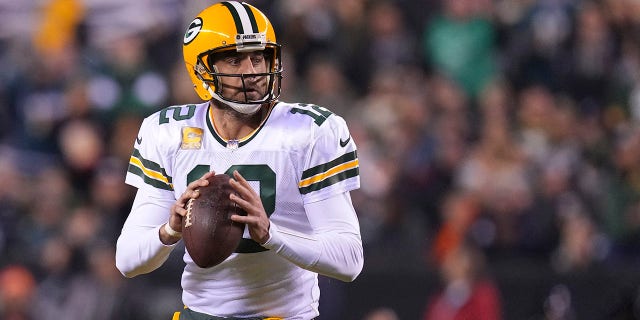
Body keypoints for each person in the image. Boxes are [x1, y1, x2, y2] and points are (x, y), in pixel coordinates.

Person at [114, 2, 364, 320]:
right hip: (200, 314)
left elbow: (349, 260)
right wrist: (169, 231)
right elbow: (128, 261)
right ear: (202, 70)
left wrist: (271, 234)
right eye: (234, 59)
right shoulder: (166, 132)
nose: (253, 71)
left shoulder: (311, 131)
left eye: (258, 56)